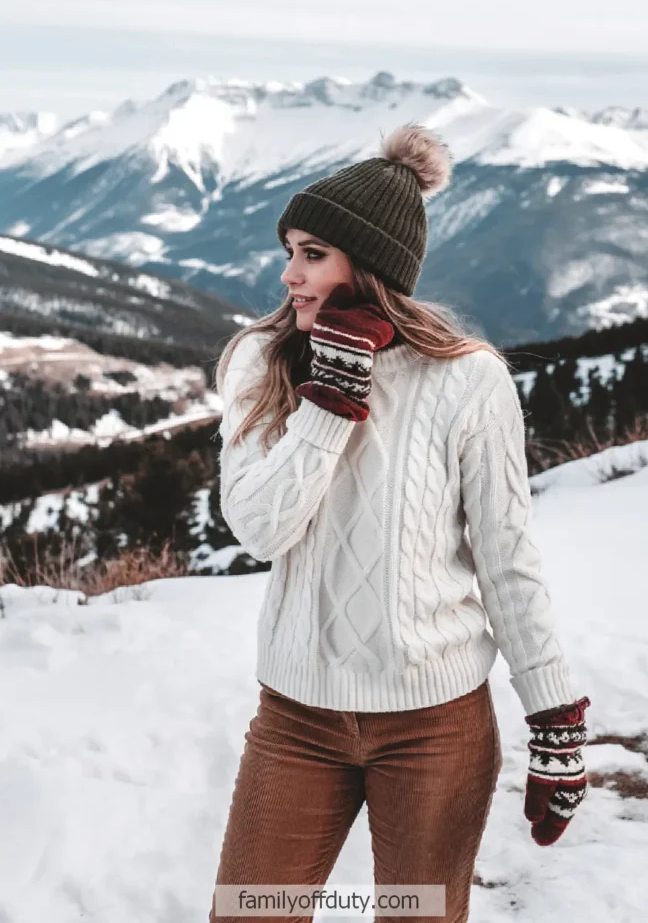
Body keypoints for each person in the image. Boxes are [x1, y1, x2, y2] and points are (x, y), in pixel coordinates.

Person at [209, 124, 591, 923]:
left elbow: (505, 555)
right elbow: (258, 530)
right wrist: (329, 400)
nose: (288, 275)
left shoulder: (467, 379)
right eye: (290, 251)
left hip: (435, 725)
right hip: (296, 718)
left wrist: (551, 712)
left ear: (369, 262)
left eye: (312, 253)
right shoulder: (259, 358)